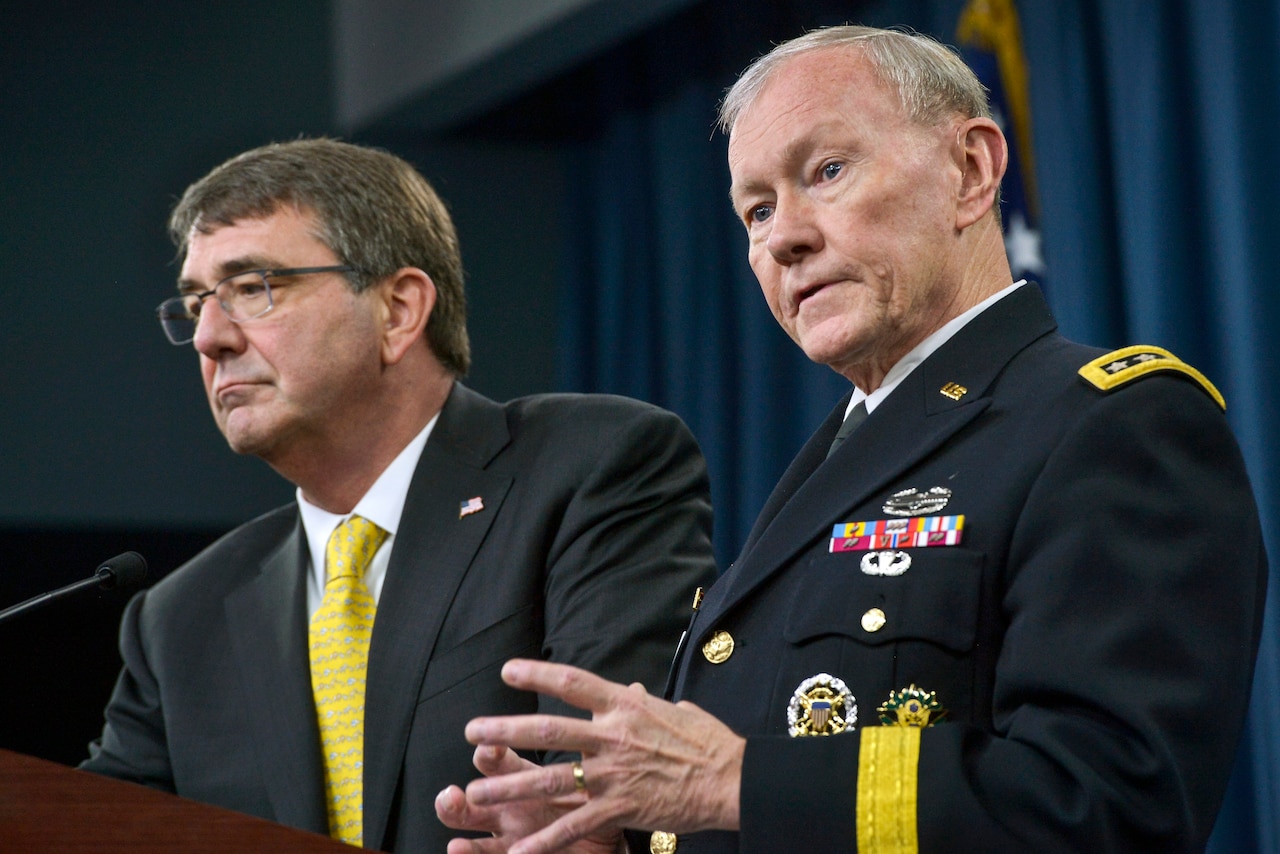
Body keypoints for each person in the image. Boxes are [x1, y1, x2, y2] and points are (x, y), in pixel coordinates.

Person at [434, 25, 1268, 853]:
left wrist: (735, 782)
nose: (781, 238)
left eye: (827, 171)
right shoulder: (837, 463)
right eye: (757, 210)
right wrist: (612, 840)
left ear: (971, 171)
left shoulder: (1112, 424)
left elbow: (1110, 805)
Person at [81, 138, 717, 852]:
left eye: (251, 288)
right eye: (197, 303)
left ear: (398, 309)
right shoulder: (179, 620)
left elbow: (603, 788)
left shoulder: (589, 469)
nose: (208, 338)